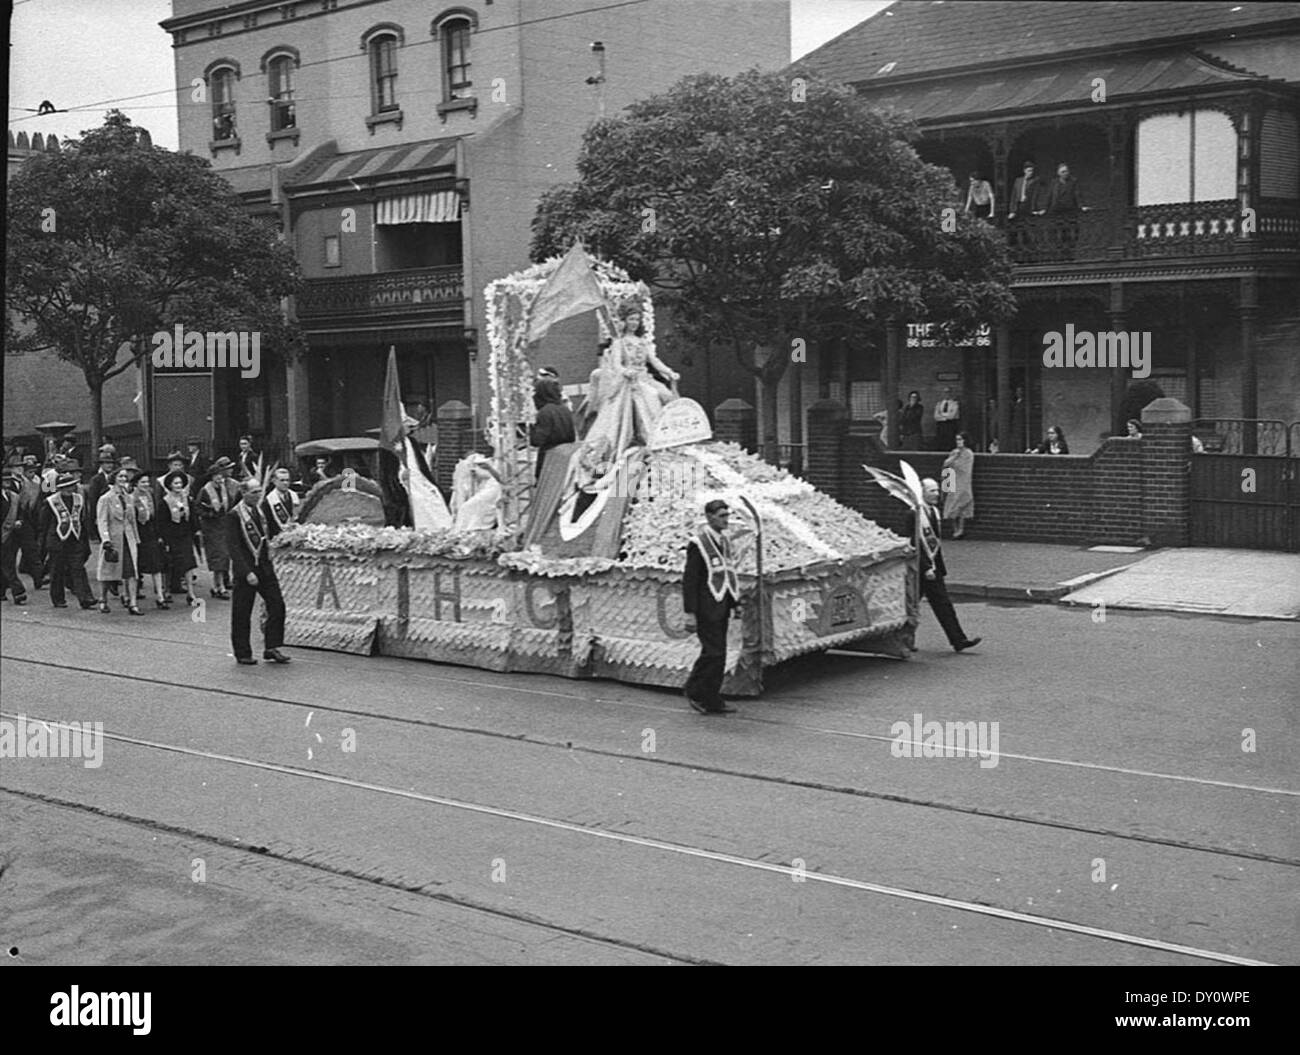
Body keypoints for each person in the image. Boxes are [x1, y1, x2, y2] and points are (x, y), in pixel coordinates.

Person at [583, 303, 680, 454]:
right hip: (630, 380)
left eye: (637, 320)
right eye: (631, 319)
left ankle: (666, 435)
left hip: (645, 377)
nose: (634, 323)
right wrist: (626, 371)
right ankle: (649, 436)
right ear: (625, 321)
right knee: (651, 396)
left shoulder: (642, 342)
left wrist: (669, 372)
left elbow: (654, 361)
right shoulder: (619, 342)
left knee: (667, 395)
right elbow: (616, 365)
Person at [904, 478, 982, 654]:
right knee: (910, 607)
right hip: (921, 569)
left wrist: (937, 567)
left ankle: (958, 640)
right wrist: (925, 568)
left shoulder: (934, 512)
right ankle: (905, 641)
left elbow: (935, 543)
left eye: (937, 490)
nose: (937, 494)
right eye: (932, 491)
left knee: (943, 604)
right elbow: (914, 543)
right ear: (921, 492)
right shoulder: (914, 514)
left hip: (934, 568)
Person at [682, 499, 742, 715]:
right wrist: (690, 612)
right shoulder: (698, 544)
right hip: (705, 606)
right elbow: (690, 580)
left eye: (727, 515)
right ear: (709, 517)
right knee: (713, 652)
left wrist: (735, 602)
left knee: (720, 653)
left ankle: (712, 697)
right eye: (721, 515)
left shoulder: (724, 541)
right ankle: (696, 691)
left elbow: (728, 573)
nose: (726, 519)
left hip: (722, 604)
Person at [226, 478, 289, 666]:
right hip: (246, 569)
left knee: (277, 604)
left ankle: (272, 646)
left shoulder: (260, 510)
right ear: (244, 493)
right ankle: (242, 652)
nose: (258, 495)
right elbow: (233, 547)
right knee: (242, 612)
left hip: (264, 566)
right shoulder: (235, 515)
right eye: (254, 492)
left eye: (260, 491)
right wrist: (246, 572)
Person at [39, 470, 96, 609]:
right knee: (57, 570)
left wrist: (85, 541)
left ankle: (85, 598)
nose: (69, 489)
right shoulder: (51, 502)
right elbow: (43, 524)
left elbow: (83, 520)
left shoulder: (79, 499)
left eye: (71, 485)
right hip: (57, 540)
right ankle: (58, 599)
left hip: (74, 539)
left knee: (78, 568)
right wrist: (44, 544)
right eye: (66, 486)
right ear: (60, 488)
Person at [96, 467, 142, 615]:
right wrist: (105, 539)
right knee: (108, 571)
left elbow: (132, 520)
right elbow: (102, 521)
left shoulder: (129, 498)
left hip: (128, 539)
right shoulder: (105, 499)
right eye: (120, 477)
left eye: (125, 478)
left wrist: (136, 538)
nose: (123, 480)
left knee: (131, 571)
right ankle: (103, 600)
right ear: (114, 478)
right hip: (114, 540)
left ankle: (133, 603)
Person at [197, 457, 238, 598]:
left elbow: (231, 506)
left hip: (224, 526)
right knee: (218, 557)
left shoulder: (225, 489)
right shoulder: (205, 491)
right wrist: (209, 512)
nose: (219, 479)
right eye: (217, 476)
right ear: (212, 477)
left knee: (225, 556)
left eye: (221, 476)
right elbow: (198, 508)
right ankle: (219, 586)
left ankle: (218, 585)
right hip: (212, 527)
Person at [159, 470, 201, 607]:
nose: (179, 485)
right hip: (171, 535)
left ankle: (191, 593)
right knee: (169, 564)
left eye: (180, 483)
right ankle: (166, 591)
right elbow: (162, 522)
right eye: (176, 483)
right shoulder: (165, 501)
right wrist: (164, 538)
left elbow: (193, 516)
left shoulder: (187, 499)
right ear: (170, 485)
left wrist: (196, 530)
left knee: (189, 564)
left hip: (185, 535)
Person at [132, 472, 169, 609]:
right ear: (136, 484)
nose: (146, 485)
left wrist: (158, 534)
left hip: (150, 534)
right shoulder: (131, 498)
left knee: (156, 565)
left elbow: (155, 517)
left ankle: (160, 596)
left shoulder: (150, 496)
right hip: (137, 535)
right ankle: (131, 594)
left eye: (147, 482)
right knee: (135, 567)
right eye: (142, 482)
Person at [530, 377, 576, 479]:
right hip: (565, 458)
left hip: (548, 460)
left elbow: (537, 440)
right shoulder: (565, 410)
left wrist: (529, 430)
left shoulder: (545, 412)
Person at [2, 462, 29, 605]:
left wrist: (19, 520)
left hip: (11, 535)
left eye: (8, 481)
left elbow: (21, 512)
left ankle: (1, 592)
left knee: (8, 563)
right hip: (3, 534)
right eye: (4, 481)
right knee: (7, 565)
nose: (7, 483)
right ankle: (18, 591)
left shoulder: (14, 496)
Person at [941, 432, 976, 539]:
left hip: (963, 482)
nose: (958, 442)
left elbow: (964, 468)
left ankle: (961, 529)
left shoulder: (968, 454)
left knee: (962, 506)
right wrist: (954, 457)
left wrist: (955, 462)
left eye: (960, 439)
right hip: (952, 480)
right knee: (952, 505)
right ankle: (955, 529)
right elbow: (946, 465)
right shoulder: (954, 453)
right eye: (957, 439)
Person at [260, 467, 301, 539]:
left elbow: (297, 516)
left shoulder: (294, 495)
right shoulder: (269, 500)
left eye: (287, 480)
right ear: (274, 481)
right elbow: (267, 524)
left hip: (294, 536)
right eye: (282, 480)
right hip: (277, 538)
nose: (285, 483)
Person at [934, 386, 961, 451]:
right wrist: (945, 416)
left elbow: (952, 416)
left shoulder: (955, 403)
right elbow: (936, 416)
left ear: (951, 393)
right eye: (945, 392)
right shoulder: (939, 403)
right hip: (941, 426)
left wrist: (942, 415)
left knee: (950, 443)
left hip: (950, 426)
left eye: (948, 392)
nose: (946, 394)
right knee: (941, 443)